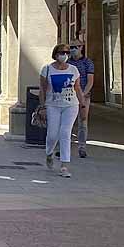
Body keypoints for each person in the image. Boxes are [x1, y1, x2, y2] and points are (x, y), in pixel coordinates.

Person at [38, 43, 84, 178]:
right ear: (55, 54)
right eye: (61, 52)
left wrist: (82, 104)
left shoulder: (74, 70)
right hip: (52, 105)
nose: (64, 55)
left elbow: (77, 88)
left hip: (71, 105)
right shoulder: (47, 69)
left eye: (66, 52)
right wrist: (42, 106)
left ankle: (64, 165)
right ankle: (49, 153)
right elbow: (42, 89)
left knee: (65, 132)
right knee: (52, 134)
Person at [69, 42, 95, 158]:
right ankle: (65, 146)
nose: (73, 49)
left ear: (81, 47)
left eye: (75, 47)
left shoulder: (87, 63)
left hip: (84, 96)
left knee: (83, 121)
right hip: (69, 96)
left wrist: (83, 95)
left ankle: (82, 147)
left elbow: (90, 80)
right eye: (71, 47)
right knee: (67, 122)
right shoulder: (68, 62)